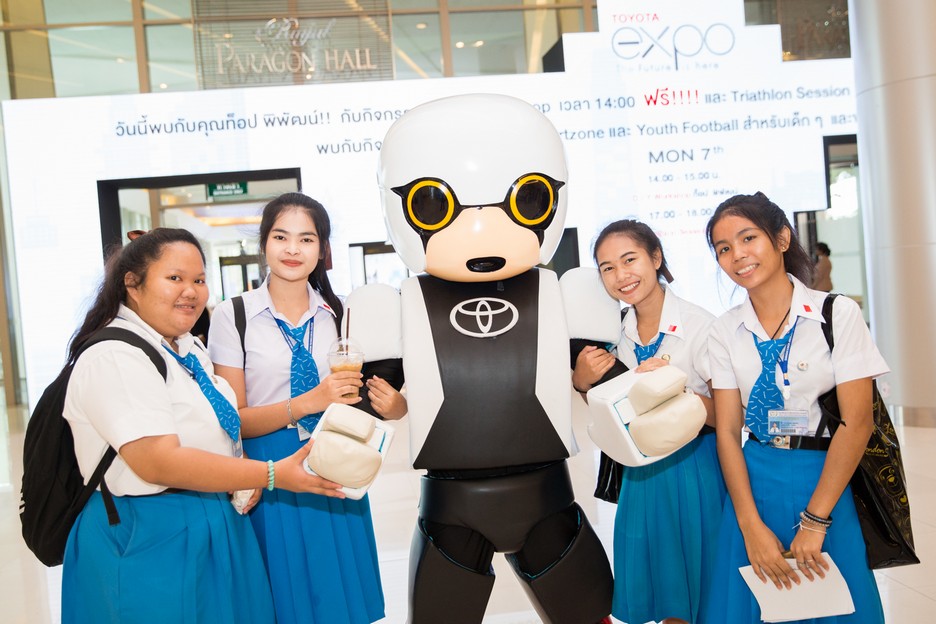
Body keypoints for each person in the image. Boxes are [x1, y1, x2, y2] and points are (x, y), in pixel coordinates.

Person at [62, 227, 344, 624]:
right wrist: (269, 474)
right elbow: (157, 461)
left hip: (214, 518)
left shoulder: (187, 346)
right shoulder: (115, 356)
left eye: (199, 280)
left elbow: (216, 423)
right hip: (148, 533)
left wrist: (238, 468)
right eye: (174, 278)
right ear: (133, 284)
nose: (191, 291)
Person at [208, 192, 405, 624]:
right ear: (264, 243)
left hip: (335, 458)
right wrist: (310, 401)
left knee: (338, 600)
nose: (293, 249)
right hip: (270, 468)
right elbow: (232, 420)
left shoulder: (341, 314)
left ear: (322, 249)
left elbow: (377, 396)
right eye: (281, 237)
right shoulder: (232, 315)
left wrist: (395, 406)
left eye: (306, 239)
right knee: (280, 600)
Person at [704, 192, 886, 623]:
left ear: (782, 239)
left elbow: (858, 423)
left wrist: (815, 521)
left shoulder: (837, 314)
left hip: (825, 478)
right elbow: (727, 430)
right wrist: (749, 525)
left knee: (834, 603)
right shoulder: (724, 330)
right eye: (724, 248)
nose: (737, 255)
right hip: (754, 481)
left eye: (748, 238)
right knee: (751, 606)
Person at [572, 219, 726, 624]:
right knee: (663, 594)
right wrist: (583, 383)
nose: (621, 275)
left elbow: (731, 415)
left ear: (655, 257)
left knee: (704, 590)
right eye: (608, 268)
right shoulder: (612, 333)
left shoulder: (700, 325)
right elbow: (611, 415)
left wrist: (674, 391)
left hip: (694, 468)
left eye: (629, 260)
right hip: (639, 474)